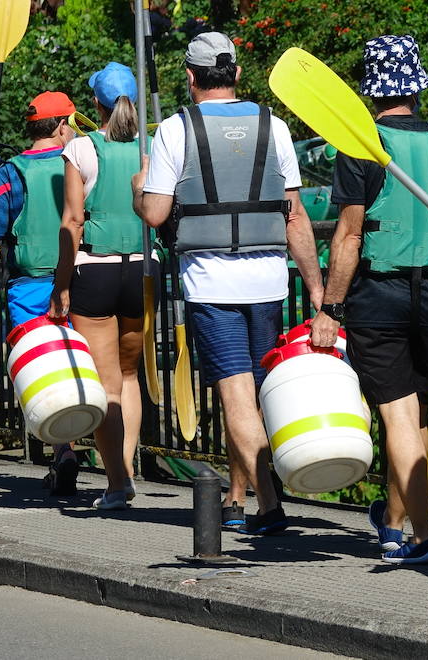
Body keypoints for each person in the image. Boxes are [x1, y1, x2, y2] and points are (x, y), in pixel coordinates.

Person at [134, 32, 324, 535]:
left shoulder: (174, 130)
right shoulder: (274, 127)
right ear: (237, 73)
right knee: (259, 395)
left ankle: (269, 503)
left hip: (210, 281)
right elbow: (296, 216)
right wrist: (320, 292)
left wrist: (139, 191)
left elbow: (154, 213)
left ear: (191, 78)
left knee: (237, 398)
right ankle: (240, 498)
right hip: (269, 280)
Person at [310, 35, 428, 565]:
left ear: (374, 88)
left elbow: (348, 237)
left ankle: (424, 541)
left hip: (380, 296)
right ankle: (391, 522)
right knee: (415, 418)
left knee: (400, 420)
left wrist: (329, 310)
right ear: (415, 87)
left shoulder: (363, 146)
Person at [51, 64, 145, 510]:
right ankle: (125, 470)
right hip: (145, 269)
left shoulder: (81, 150)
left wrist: (60, 285)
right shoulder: (151, 148)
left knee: (106, 383)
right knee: (130, 375)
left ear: (96, 106)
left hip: (97, 269)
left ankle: (116, 483)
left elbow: (72, 221)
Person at [0, 91, 77, 493]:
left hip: (29, 285)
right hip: (79, 279)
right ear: (62, 126)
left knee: (45, 374)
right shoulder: (82, 161)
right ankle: (115, 468)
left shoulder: (12, 172)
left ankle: (63, 449)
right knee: (83, 366)